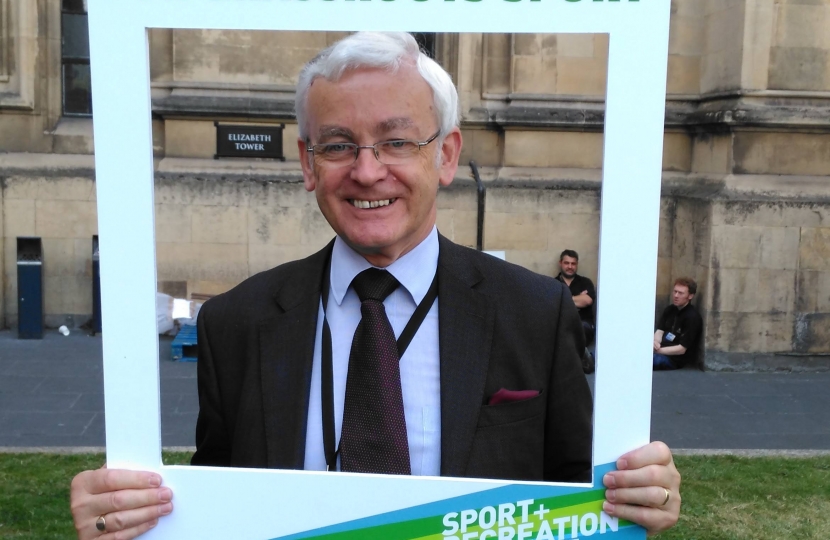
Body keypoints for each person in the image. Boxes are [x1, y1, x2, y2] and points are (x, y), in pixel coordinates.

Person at [70, 32, 681, 539]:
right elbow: (219, 507)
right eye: (339, 145)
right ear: (308, 164)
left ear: (445, 155)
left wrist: (633, 496)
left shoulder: (535, 311)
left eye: (396, 140)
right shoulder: (238, 323)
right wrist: (131, 514)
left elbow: (578, 489)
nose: (367, 170)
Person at [653, 277, 703, 370]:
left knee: (644, 361)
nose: (676, 295)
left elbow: (681, 349)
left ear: (690, 296)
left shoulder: (692, 317)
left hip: (673, 359)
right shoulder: (670, 309)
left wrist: (657, 351)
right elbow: (660, 330)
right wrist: (655, 342)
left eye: (680, 293)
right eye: (675, 291)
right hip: (660, 347)